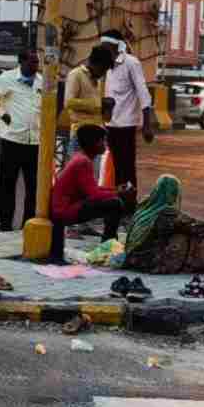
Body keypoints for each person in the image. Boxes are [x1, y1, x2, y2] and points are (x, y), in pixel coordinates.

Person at [0, 48, 44, 232]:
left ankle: (27, 223)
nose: (36, 65)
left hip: (34, 142)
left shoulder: (42, 82)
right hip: (12, 140)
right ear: (21, 62)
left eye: (37, 62)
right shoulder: (8, 79)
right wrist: (0, 113)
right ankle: (5, 223)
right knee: (7, 184)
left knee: (33, 187)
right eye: (32, 62)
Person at [119, 174, 204, 276]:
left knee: (186, 230)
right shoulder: (167, 213)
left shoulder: (145, 207)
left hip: (133, 260)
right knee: (188, 235)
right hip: (151, 263)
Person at [47, 125, 128, 262]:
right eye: (103, 141)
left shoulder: (81, 158)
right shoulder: (83, 162)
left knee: (114, 201)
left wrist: (115, 190)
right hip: (63, 211)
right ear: (94, 144)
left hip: (64, 208)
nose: (105, 144)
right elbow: (94, 195)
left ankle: (107, 244)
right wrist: (117, 194)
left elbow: (92, 189)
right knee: (116, 204)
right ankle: (107, 246)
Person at [99, 29, 154, 195]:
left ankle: (130, 203)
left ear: (116, 46)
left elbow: (143, 92)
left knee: (127, 167)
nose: (103, 50)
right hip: (111, 124)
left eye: (106, 47)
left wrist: (147, 124)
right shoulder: (107, 66)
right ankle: (120, 202)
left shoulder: (131, 63)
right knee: (116, 167)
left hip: (127, 124)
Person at [63, 43, 115, 156]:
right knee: (79, 172)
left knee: (93, 173)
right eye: (103, 69)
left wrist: (108, 107)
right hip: (81, 136)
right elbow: (69, 102)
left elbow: (100, 111)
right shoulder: (76, 74)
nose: (103, 73)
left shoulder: (98, 80)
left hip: (97, 137)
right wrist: (98, 104)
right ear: (96, 63)